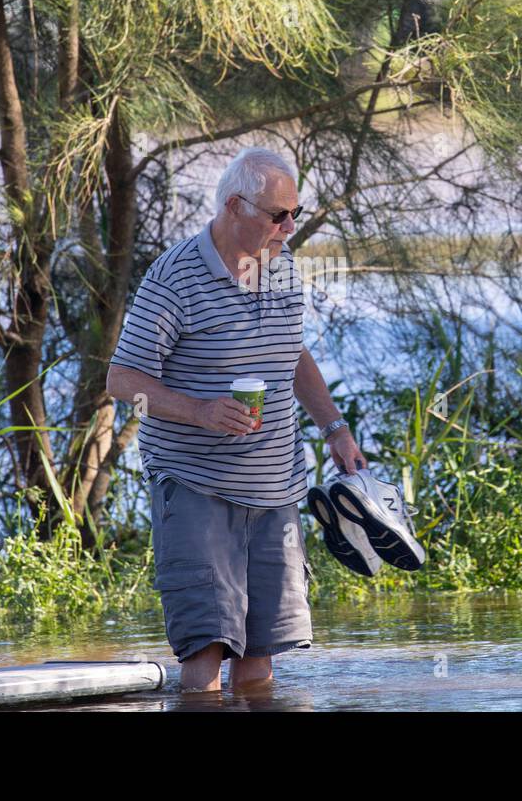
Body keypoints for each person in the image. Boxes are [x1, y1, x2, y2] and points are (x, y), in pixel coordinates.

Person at [105, 146, 366, 692]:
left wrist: (334, 428)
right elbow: (123, 382)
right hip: (197, 486)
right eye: (277, 216)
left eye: (294, 213)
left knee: (261, 665)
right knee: (205, 657)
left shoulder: (283, 269)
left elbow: (291, 353)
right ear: (234, 207)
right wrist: (200, 411)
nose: (289, 228)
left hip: (276, 489)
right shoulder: (173, 278)